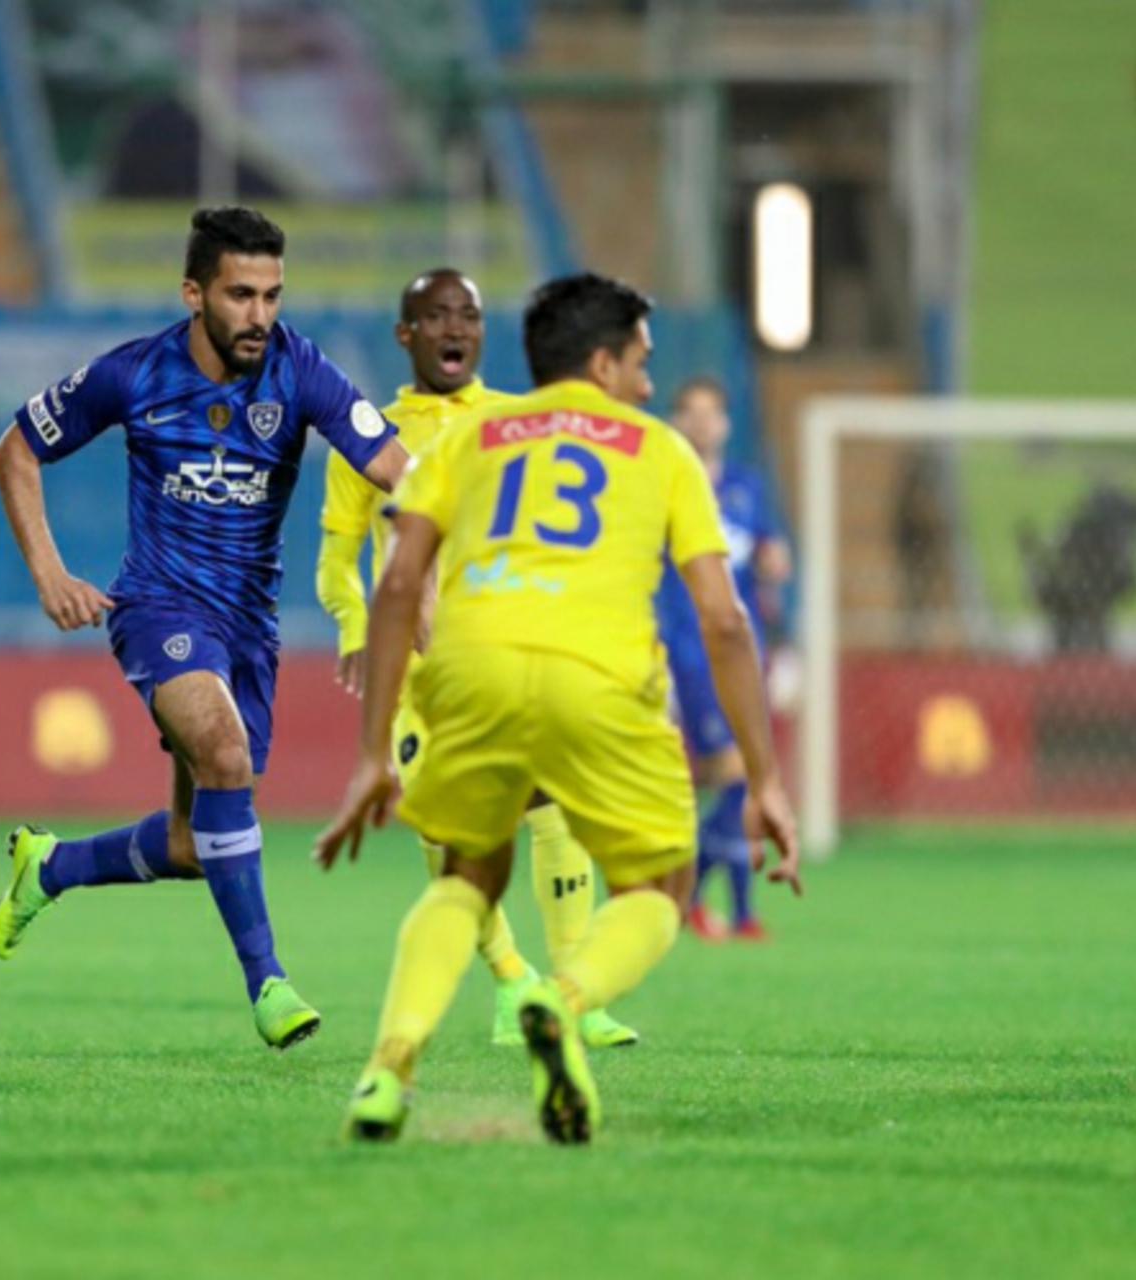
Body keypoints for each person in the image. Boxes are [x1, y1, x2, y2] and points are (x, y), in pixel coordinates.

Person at [316, 273, 801, 1143]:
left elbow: (396, 586)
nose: (648, 385)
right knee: (662, 885)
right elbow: (726, 622)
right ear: (604, 365)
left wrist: (368, 753)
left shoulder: (467, 441)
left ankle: (387, 1070)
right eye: (642, 364)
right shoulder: (660, 451)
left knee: (466, 875)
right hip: (598, 676)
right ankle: (562, 998)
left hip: (471, 671)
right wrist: (765, 779)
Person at [0, 207, 407, 1049]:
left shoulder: (301, 369)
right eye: (241, 295)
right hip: (159, 609)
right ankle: (269, 984)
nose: (260, 315)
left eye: (273, 295)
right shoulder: (135, 373)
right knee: (223, 752)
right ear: (194, 294)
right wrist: (51, 575)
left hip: (248, 631)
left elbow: (400, 471)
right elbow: (16, 450)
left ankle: (51, 866)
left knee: (192, 844)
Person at [315, 266, 637, 1049]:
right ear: (407, 334)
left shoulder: (518, 423)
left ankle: (575, 993)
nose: (454, 328)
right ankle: (510, 980)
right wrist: (356, 628)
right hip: (416, 673)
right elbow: (335, 563)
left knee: (551, 803)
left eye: (468, 315)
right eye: (436, 316)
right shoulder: (368, 437)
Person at [657, 376, 792, 942]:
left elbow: (773, 553)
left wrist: (773, 560)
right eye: (690, 412)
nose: (701, 423)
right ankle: (695, 897)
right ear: (675, 421)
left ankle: (732, 911)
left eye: (711, 413)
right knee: (741, 775)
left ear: (726, 424)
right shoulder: (660, 484)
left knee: (733, 778)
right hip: (689, 650)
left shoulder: (745, 486)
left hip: (743, 648)